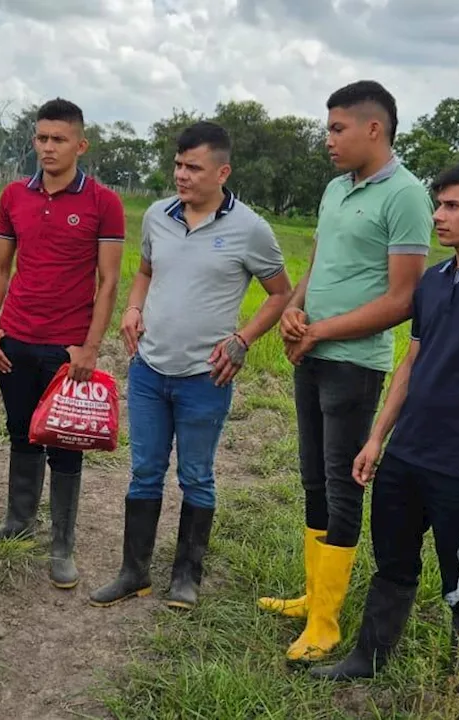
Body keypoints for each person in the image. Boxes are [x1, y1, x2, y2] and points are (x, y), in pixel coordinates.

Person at [310, 161, 459, 717]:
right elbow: (411, 363)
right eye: (438, 204)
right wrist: (375, 440)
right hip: (405, 456)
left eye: (452, 206)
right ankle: (368, 657)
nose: (439, 215)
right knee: (392, 561)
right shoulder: (435, 281)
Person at [261, 79, 432, 663]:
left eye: (337, 129)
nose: (328, 139)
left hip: (354, 364)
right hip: (313, 353)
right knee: (312, 477)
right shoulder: (336, 189)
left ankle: (328, 623)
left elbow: (403, 298)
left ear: (373, 129)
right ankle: (313, 597)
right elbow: (318, 263)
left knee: (341, 486)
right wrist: (295, 310)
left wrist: (323, 331)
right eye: (327, 128)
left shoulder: (406, 195)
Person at [88, 121, 291, 610]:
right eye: (178, 164)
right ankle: (133, 571)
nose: (181, 174)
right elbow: (145, 272)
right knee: (144, 473)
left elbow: (281, 293)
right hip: (149, 371)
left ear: (222, 172)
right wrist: (134, 308)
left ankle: (186, 575)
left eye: (193, 167)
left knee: (196, 475)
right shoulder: (158, 216)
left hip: (206, 377)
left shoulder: (250, 229)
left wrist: (243, 340)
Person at [0, 98, 125, 590]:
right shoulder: (14, 195)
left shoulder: (103, 203)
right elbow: (0, 267)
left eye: (58, 139)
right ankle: (19, 521)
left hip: (66, 350)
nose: (47, 147)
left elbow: (107, 283)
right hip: (14, 339)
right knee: (21, 433)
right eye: (41, 137)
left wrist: (89, 347)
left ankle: (62, 544)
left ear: (80, 145)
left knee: (65, 442)